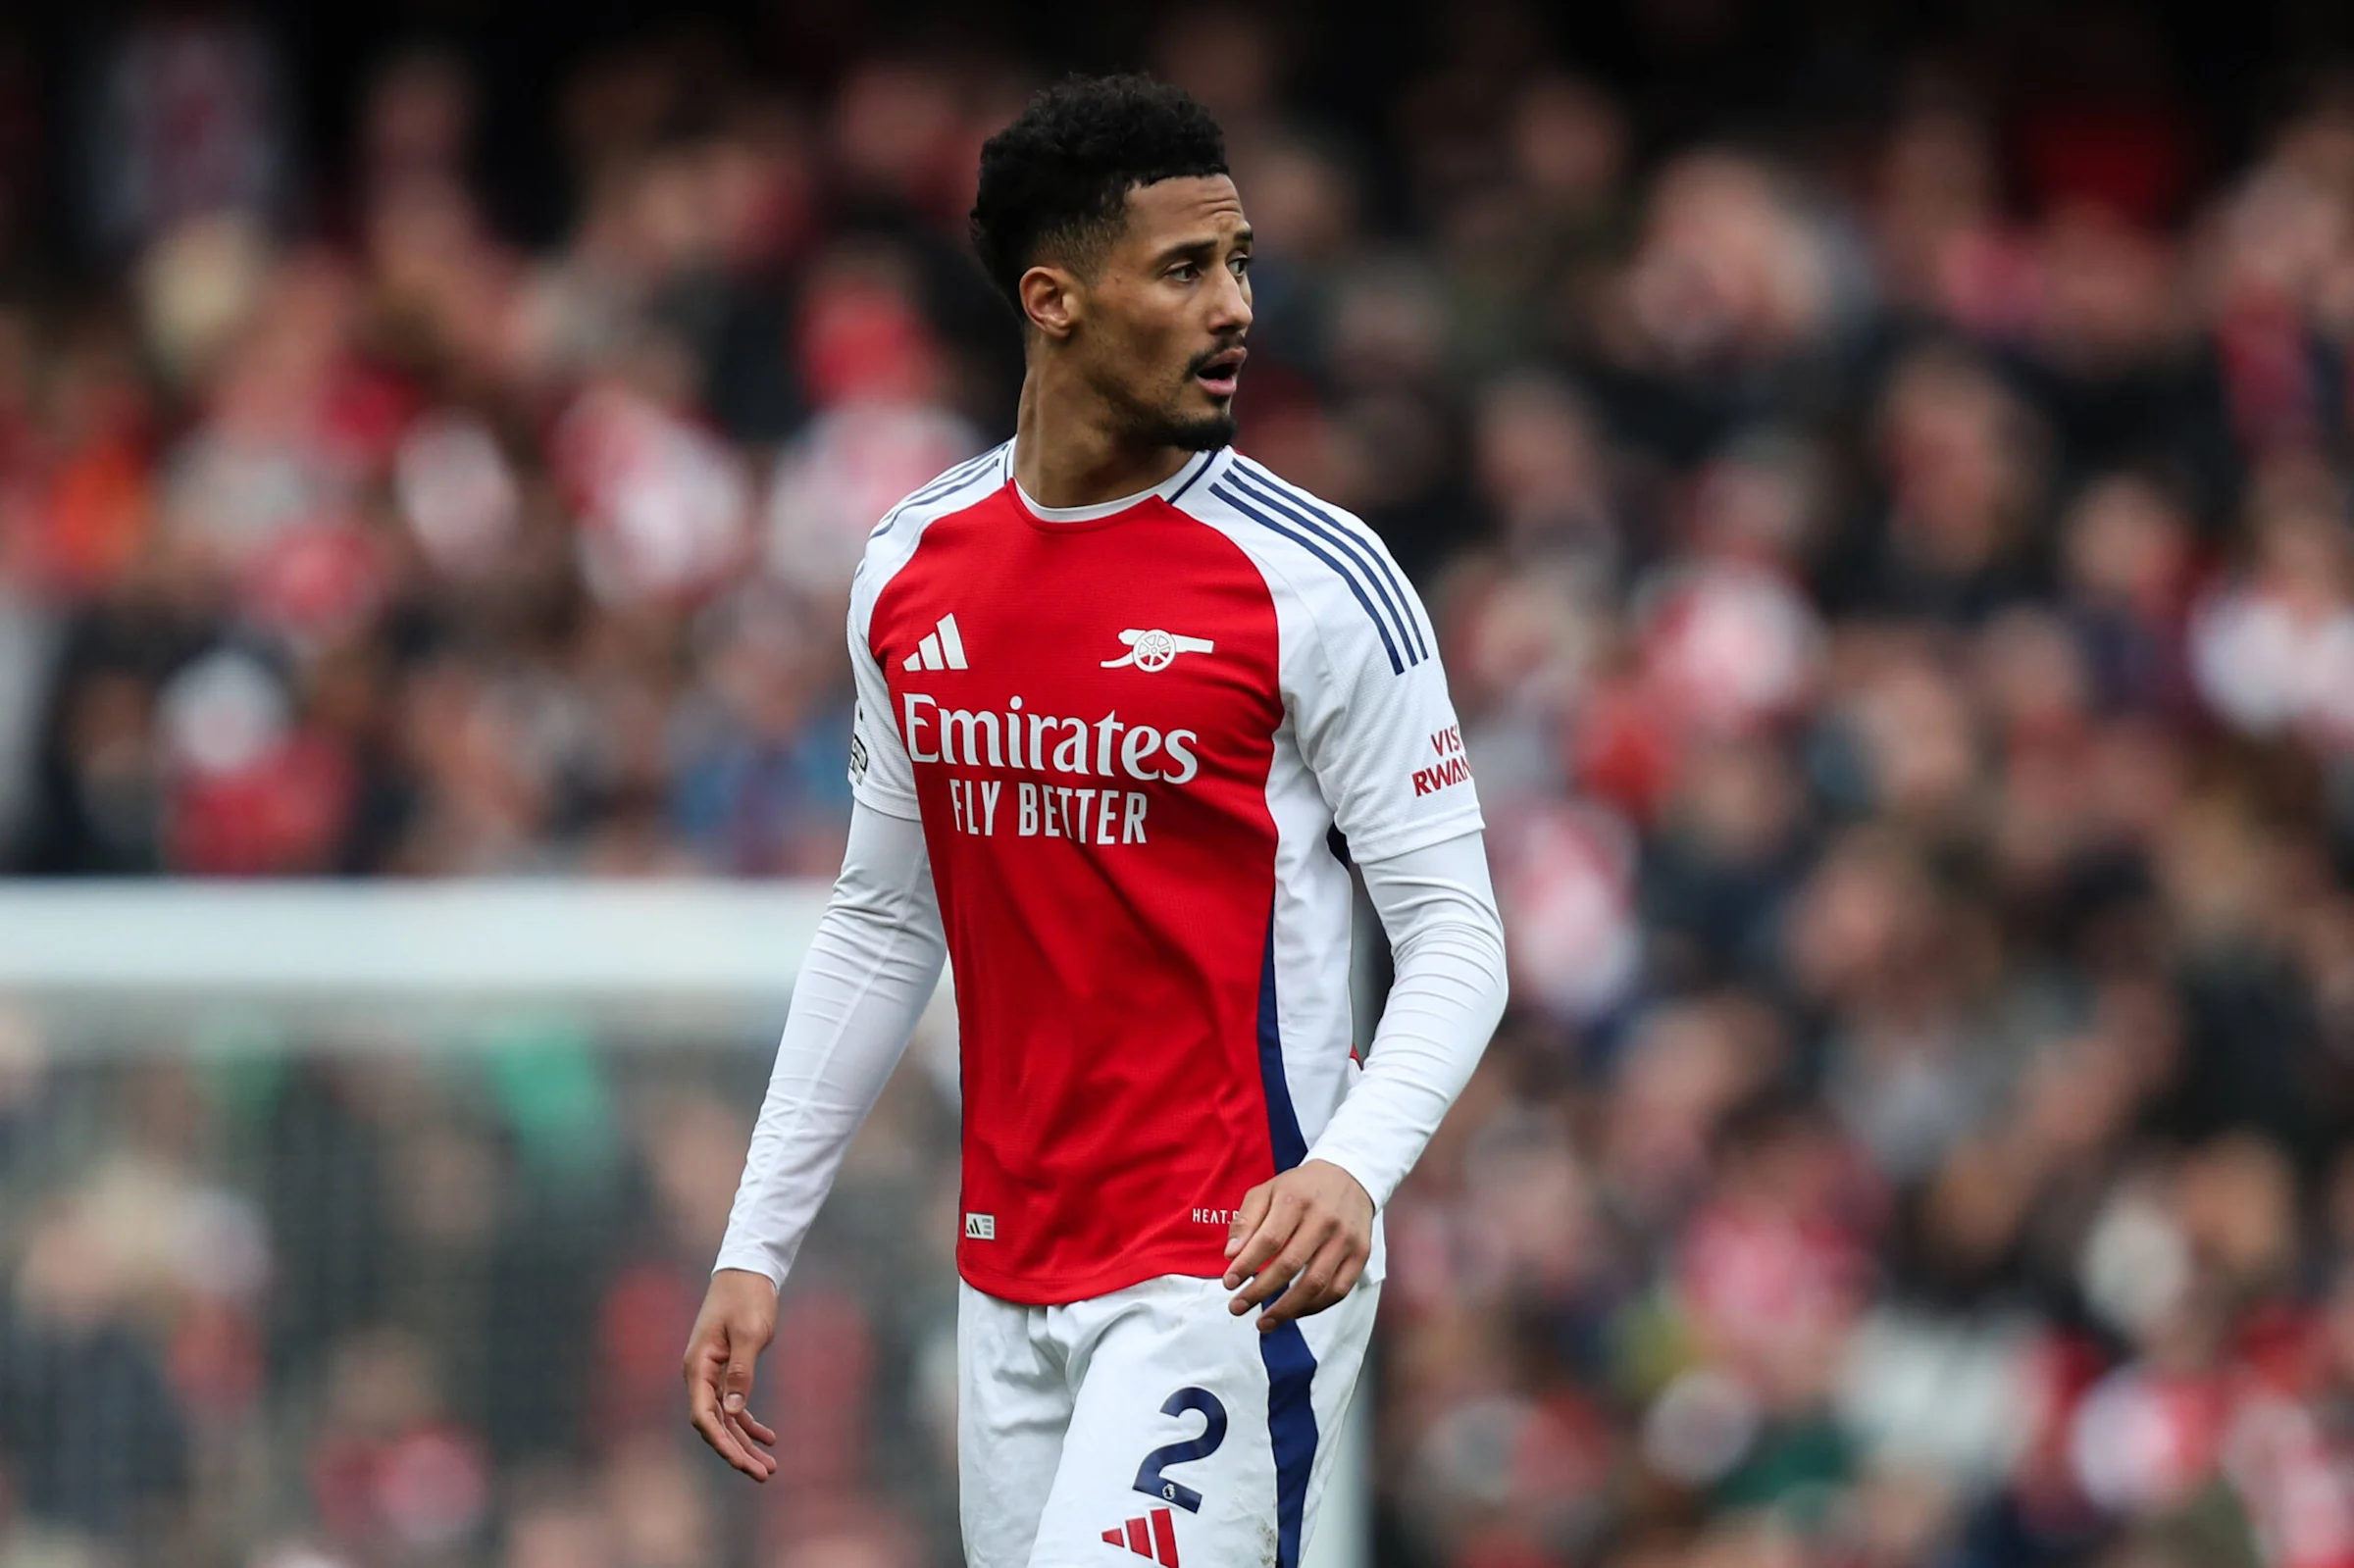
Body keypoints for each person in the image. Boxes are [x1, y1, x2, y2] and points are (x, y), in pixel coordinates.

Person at [683, 75, 1509, 1568]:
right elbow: (884, 919)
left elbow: (1456, 932)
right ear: (1053, 300)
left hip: (1230, 1258)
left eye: (1239, 261)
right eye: (1184, 269)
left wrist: (1353, 1166)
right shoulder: (912, 566)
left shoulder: (1317, 581)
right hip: (1008, 1265)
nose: (1236, 306)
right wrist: (757, 1240)